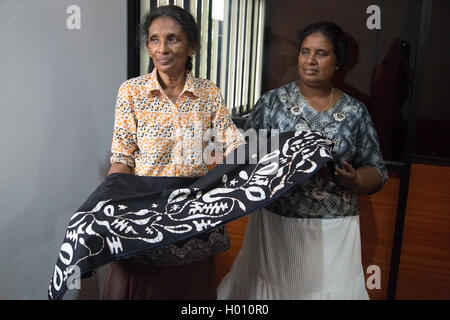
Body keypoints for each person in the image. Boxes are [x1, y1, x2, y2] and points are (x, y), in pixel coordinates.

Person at [217, 21, 387, 300]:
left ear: (338, 62)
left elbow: (377, 171)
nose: (310, 60)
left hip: (334, 228)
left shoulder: (355, 111)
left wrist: (355, 179)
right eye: (305, 51)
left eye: (321, 53)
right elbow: (244, 157)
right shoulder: (272, 103)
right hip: (276, 224)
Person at [103, 5, 243, 299]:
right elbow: (122, 157)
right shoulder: (131, 92)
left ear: (191, 46)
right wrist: (113, 205)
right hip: (145, 210)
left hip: (193, 215)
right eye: (154, 39)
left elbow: (234, 146)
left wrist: (240, 175)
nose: (162, 48)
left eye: (173, 39)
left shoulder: (208, 93)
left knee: (190, 291)